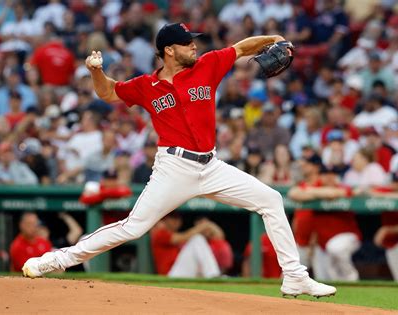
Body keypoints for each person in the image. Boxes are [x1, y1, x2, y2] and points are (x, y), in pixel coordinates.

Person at [22, 23, 336, 297]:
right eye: (188, 43)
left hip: (212, 166)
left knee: (270, 199)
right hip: (174, 168)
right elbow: (109, 94)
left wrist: (273, 38)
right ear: (169, 50)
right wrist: (95, 72)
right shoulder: (147, 85)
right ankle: (58, 260)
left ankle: (295, 277)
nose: (195, 45)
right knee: (133, 228)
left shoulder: (208, 65)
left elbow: (241, 47)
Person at [150, 213, 221, 278]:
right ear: (165, 220)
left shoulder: (177, 234)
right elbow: (183, 237)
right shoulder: (160, 234)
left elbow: (219, 237)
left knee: (198, 242)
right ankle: (213, 275)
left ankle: (214, 275)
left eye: (178, 218)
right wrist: (203, 226)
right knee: (197, 239)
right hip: (171, 274)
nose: (177, 220)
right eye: (173, 218)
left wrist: (210, 225)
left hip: (181, 272)